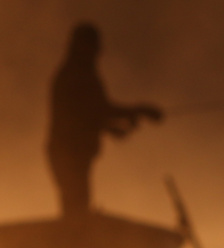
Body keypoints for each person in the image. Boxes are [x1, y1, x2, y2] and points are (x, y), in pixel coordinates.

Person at [45, 22, 163, 217]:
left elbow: (90, 113)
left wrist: (111, 128)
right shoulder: (75, 75)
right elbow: (95, 110)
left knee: (76, 203)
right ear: (81, 45)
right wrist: (140, 110)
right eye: (93, 46)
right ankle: (74, 239)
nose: (98, 51)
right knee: (76, 202)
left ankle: (74, 238)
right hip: (67, 150)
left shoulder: (84, 73)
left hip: (73, 151)